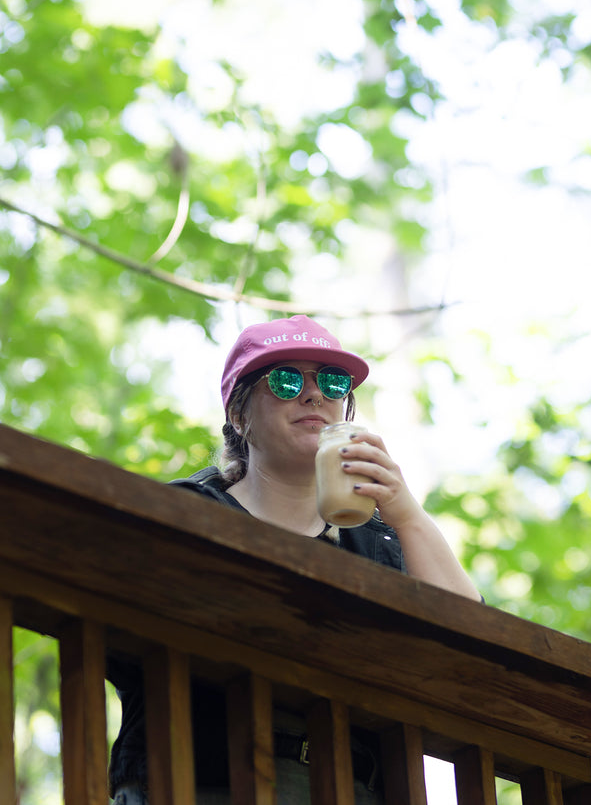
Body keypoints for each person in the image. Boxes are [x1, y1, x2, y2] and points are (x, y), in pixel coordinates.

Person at [108, 314, 480, 804]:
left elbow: (471, 655)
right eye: (285, 379)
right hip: (200, 782)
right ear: (239, 417)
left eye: (332, 381)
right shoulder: (186, 514)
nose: (314, 395)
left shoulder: (380, 544)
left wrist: (406, 514)